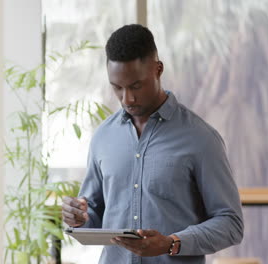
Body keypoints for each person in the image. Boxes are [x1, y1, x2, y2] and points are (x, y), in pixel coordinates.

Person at [62, 24, 244, 264]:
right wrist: (79, 218)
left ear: (158, 69)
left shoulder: (201, 138)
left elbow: (231, 223)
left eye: (136, 85)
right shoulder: (103, 137)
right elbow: (94, 213)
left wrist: (172, 243)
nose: (127, 98)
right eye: (117, 88)